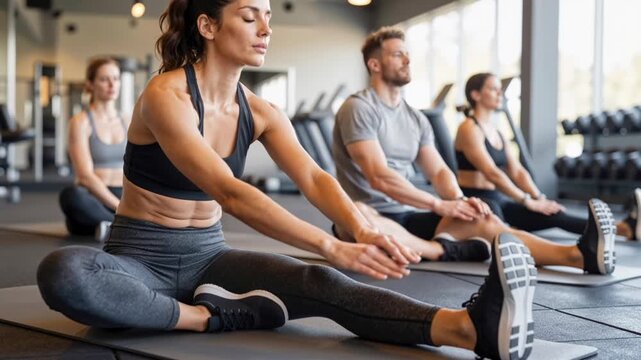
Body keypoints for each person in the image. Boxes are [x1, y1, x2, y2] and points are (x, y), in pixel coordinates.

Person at [37, 1, 537, 359]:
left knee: (317, 280)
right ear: (208, 25)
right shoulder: (165, 95)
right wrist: (328, 241)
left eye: (269, 17)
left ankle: (469, 328)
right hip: (139, 258)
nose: (265, 28)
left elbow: (315, 177)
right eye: (250, 16)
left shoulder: (262, 111)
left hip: (210, 258)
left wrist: (362, 230)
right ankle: (210, 316)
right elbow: (230, 192)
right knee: (65, 273)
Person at [332, 26, 616, 276]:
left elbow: (439, 170)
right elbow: (379, 176)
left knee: (483, 217)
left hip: (409, 216)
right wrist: (439, 205)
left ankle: (579, 256)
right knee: (358, 213)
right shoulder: (359, 109)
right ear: (375, 65)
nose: (407, 60)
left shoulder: (415, 119)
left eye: (407, 54)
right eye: (397, 55)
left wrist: (458, 201)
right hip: (372, 218)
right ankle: (439, 250)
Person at [454, 72, 640, 240]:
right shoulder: (469, 128)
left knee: (553, 214)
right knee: (502, 233)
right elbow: (492, 172)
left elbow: (517, 171)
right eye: (493, 89)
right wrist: (526, 200)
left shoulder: (497, 132)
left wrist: (539, 198)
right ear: (475, 95)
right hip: (476, 200)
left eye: (499, 89)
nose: (499, 93)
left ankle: (624, 229)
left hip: (499, 198)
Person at [58, 57, 128, 241]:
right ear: (90, 84)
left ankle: (110, 226)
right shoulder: (80, 122)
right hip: (94, 196)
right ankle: (126, 226)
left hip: (125, 193)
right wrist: (121, 208)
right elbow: (85, 176)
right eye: (104, 79)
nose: (112, 84)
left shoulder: (128, 121)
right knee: (71, 197)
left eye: (116, 78)